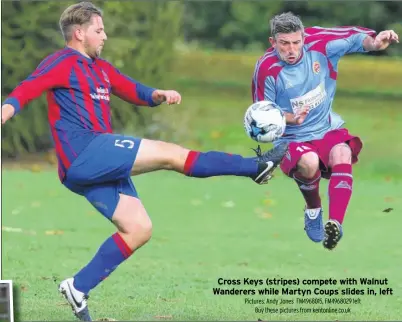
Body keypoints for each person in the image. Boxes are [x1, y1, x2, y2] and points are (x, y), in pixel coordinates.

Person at [1, 2, 289, 321]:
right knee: (170, 154)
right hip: (85, 152)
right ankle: (255, 167)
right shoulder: (61, 62)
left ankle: (78, 286)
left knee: (138, 229)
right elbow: (28, 88)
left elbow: (133, 90)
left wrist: (158, 95)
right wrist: (6, 110)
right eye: (99, 30)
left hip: (91, 164)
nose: (105, 36)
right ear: (79, 33)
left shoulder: (102, 69)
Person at [252, 12, 399, 250]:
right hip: (291, 137)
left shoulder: (320, 43)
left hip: (326, 128)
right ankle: (313, 209)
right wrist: (290, 118)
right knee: (309, 163)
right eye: (284, 44)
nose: (291, 50)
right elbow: (261, 114)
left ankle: (335, 225)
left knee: (342, 153)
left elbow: (353, 37)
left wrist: (374, 42)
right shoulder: (266, 68)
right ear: (273, 42)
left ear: (304, 37)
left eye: (296, 42)